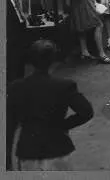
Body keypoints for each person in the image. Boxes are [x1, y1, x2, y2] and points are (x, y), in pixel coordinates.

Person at [6, 39, 94, 170]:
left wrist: (7, 162)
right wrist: (63, 125)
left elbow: (9, 126)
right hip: (57, 147)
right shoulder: (64, 86)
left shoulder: (15, 88)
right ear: (52, 59)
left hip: (29, 149)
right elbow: (86, 112)